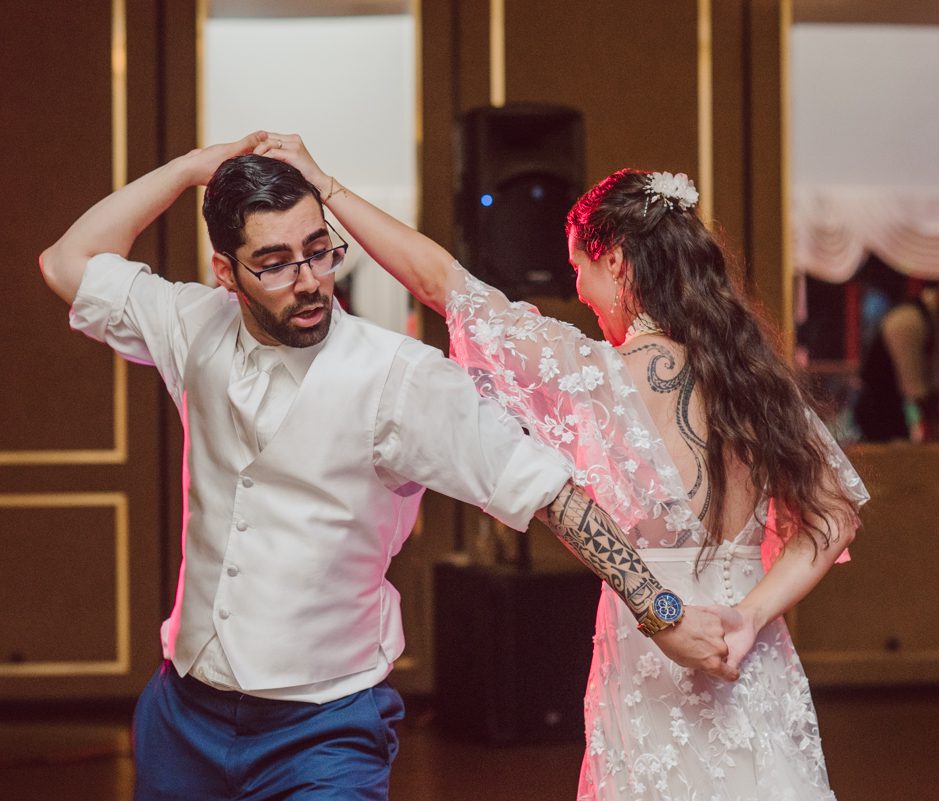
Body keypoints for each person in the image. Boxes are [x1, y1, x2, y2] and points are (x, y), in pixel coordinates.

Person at [37, 132, 739, 801]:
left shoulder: (399, 376)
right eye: (275, 262)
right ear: (226, 271)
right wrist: (194, 165)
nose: (309, 280)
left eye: (319, 250)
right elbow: (67, 261)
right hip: (182, 717)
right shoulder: (191, 324)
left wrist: (662, 611)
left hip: (324, 730)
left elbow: (549, 490)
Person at [264, 134, 870, 801]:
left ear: (616, 261)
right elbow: (832, 518)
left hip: (651, 657)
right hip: (755, 660)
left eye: (580, 267)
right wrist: (752, 615)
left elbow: (442, 284)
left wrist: (328, 186)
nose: (579, 290)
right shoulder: (756, 374)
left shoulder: (594, 375)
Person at [854, 271, 939, 443]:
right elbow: (915, 388)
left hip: (894, 411)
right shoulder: (909, 320)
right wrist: (937, 428)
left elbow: (933, 381)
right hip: (879, 414)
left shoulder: (934, 322)